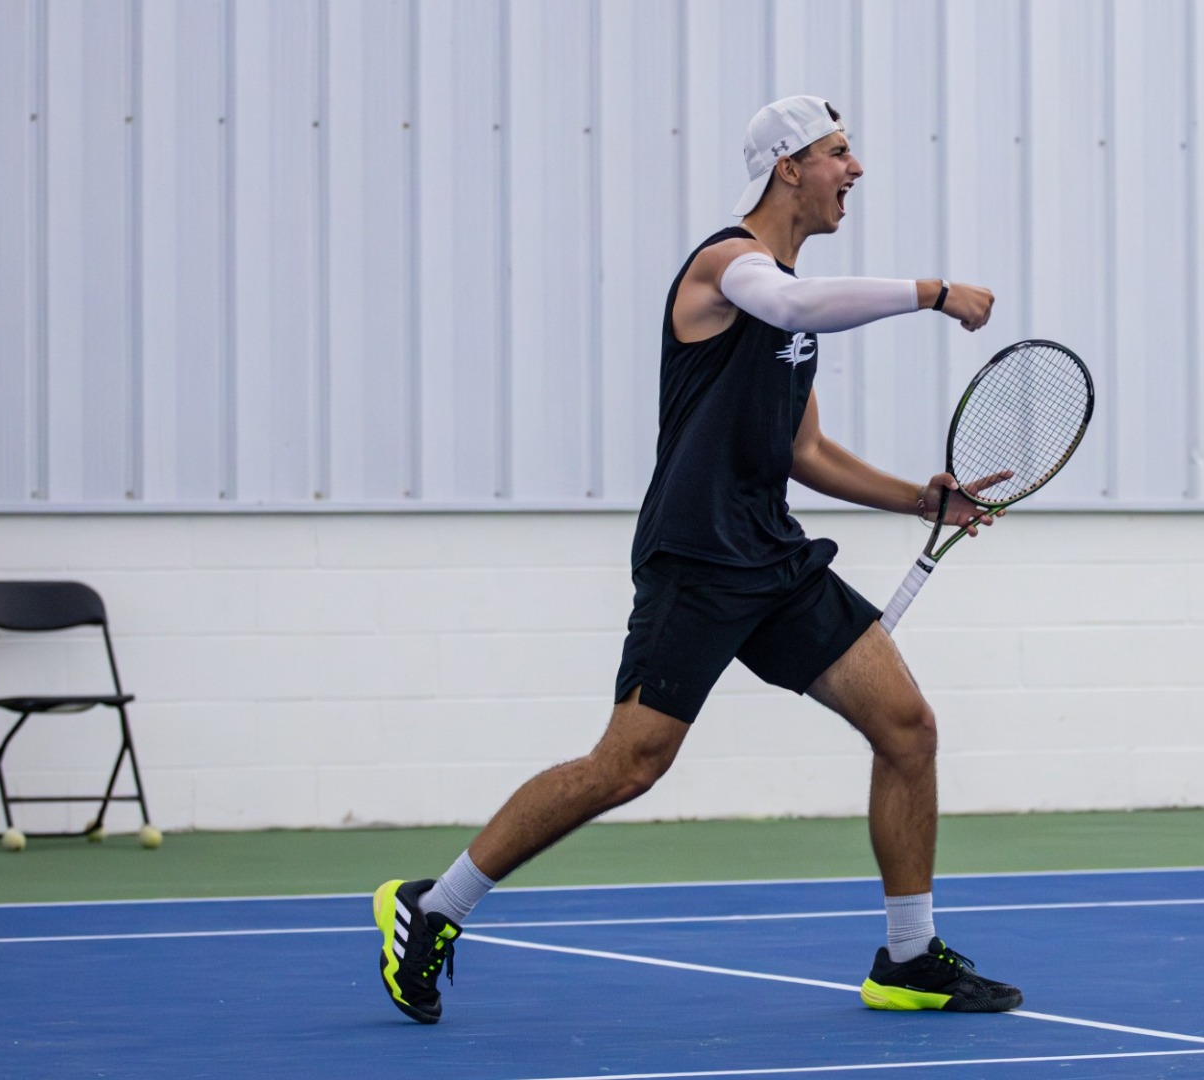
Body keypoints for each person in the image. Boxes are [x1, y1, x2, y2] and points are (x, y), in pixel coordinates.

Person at [373, 94, 1021, 1024]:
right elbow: (791, 301)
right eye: (841, 153)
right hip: (695, 557)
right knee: (629, 765)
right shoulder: (728, 268)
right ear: (789, 167)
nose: (858, 170)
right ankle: (432, 908)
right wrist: (929, 293)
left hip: (773, 555)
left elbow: (808, 453)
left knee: (907, 729)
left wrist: (924, 498)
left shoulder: (793, 306)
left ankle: (909, 957)